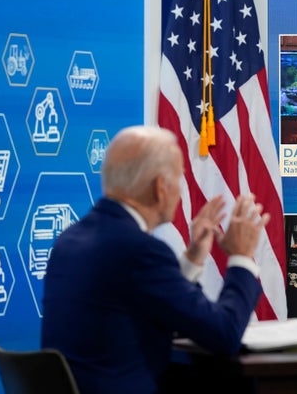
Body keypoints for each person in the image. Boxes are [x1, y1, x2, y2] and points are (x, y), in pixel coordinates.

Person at [41, 125, 271, 394]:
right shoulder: (138, 250)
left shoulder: (70, 240)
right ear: (161, 187)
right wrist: (242, 257)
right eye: (179, 178)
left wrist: (194, 256)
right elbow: (224, 334)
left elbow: (151, 300)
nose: (180, 190)